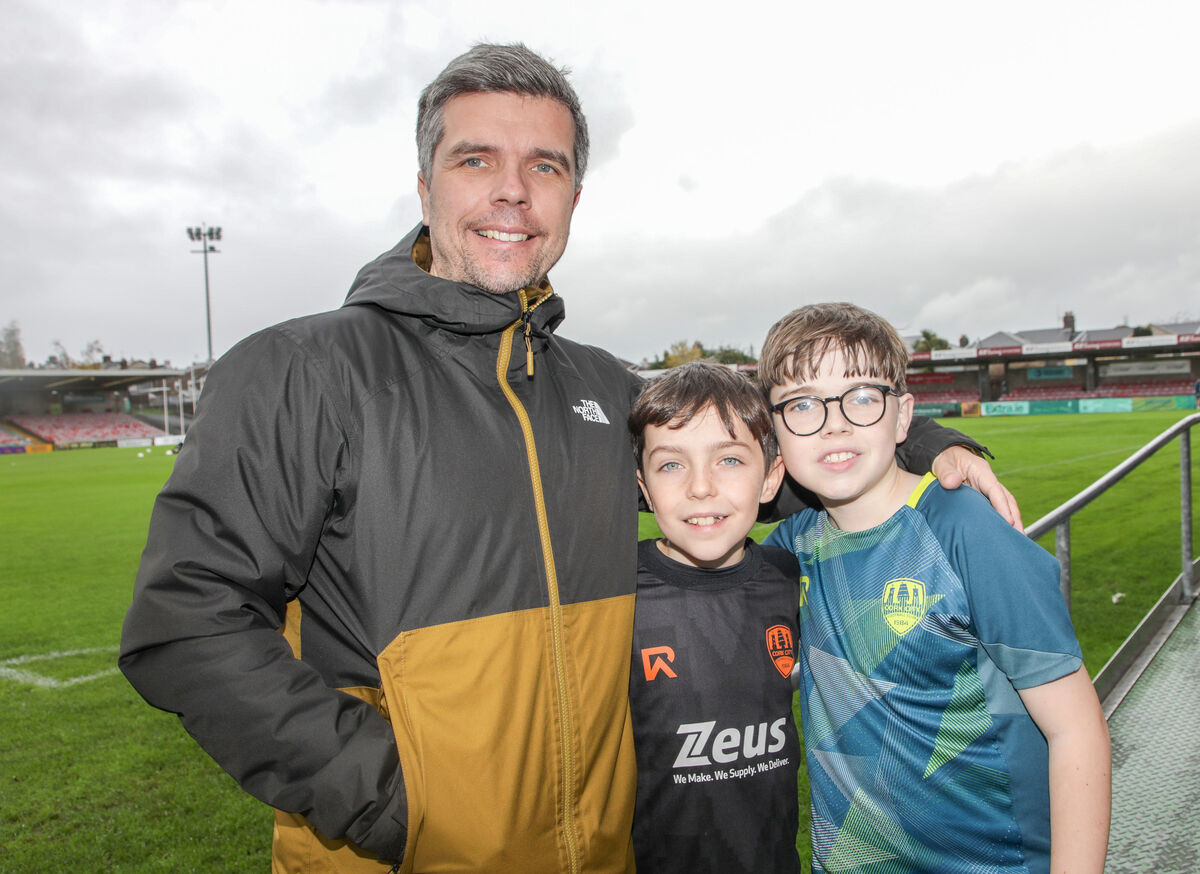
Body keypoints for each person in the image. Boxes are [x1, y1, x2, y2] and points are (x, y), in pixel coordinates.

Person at [119, 43, 1018, 873]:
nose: (513, 192)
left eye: (544, 167)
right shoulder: (303, 369)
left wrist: (929, 445)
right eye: (477, 159)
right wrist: (398, 803)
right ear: (425, 182)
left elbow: (751, 442)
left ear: (572, 198)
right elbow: (185, 617)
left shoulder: (600, 387)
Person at [760, 303, 1111, 874]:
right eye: (802, 404)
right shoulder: (787, 550)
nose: (834, 423)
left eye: (863, 396)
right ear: (774, 430)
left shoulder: (965, 531)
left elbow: (1075, 728)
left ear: (903, 419)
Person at [626, 362, 801, 873]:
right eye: (672, 465)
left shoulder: (788, 579)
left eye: (728, 460)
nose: (700, 488)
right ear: (644, 486)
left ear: (769, 479)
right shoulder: (612, 593)